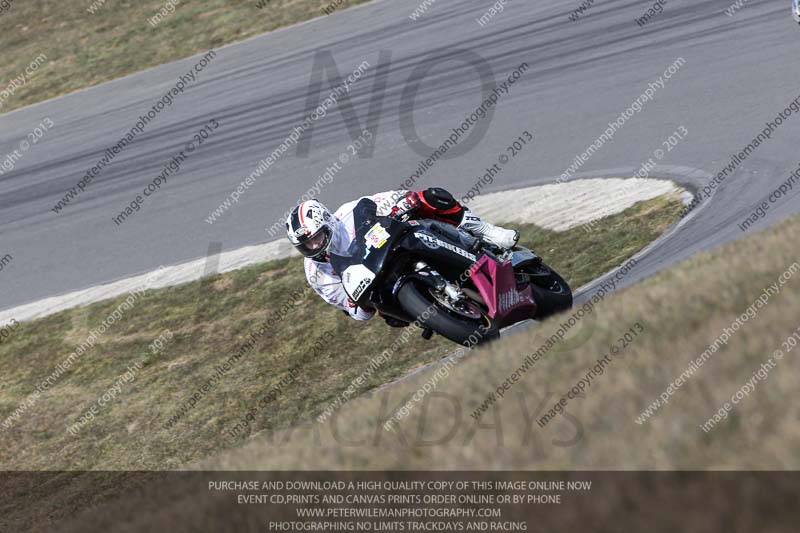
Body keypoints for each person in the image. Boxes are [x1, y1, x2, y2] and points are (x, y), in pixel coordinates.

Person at [285, 187, 519, 323]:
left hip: (398, 247)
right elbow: (357, 312)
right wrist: (354, 302)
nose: (314, 246)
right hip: (383, 289)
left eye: (316, 238)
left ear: (328, 223)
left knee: (429, 196)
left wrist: (403, 204)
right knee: (390, 317)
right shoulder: (315, 271)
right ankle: (441, 314)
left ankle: (488, 233)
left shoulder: (349, 213)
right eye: (307, 246)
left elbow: (396, 198)